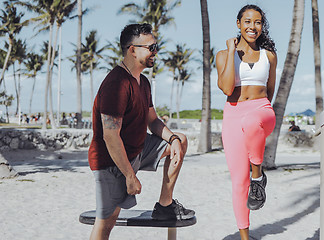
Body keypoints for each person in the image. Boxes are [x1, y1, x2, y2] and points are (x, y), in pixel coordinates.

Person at [88, 23, 194, 240]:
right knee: (106, 224)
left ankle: (165, 205)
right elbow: (110, 135)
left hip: (138, 149)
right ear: (132, 50)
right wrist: (130, 175)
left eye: (156, 46)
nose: (156, 52)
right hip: (112, 162)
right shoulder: (115, 84)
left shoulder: (143, 82)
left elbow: (153, 121)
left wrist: (172, 139)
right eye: (151, 47)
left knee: (181, 141)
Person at [216, 4, 277, 240]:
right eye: (248, 21)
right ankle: (244, 236)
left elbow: (270, 90)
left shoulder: (269, 55)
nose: (253, 26)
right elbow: (227, 88)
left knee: (252, 120)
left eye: (258, 22)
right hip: (232, 114)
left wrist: (259, 109)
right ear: (239, 24)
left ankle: (258, 176)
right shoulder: (223, 55)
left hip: (261, 111)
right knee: (239, 182)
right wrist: (232, 51)